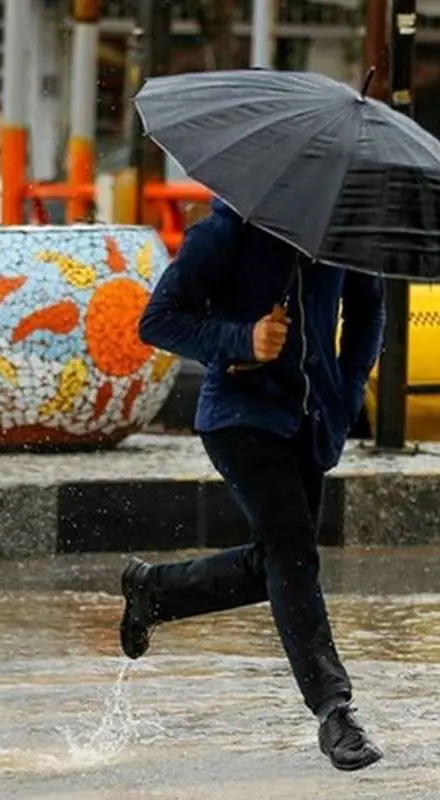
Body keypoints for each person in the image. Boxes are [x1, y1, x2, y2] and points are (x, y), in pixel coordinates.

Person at [124, 197, 387, 771]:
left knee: (279, 561)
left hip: (310, 423)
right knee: (293, 552)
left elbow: (368, 311)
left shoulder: (344, 228)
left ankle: (157, 593)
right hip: (240, 420)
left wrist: (344, 396)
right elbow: (159, 319)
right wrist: (243, 341)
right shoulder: (227, 230)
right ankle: (333, 712)